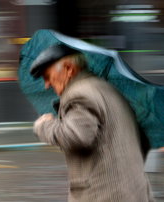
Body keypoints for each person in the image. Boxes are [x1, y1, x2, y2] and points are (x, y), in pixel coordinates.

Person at [30, 44, 155, 202]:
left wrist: (43, 126)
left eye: (47, 76)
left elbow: (75, 137)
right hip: (134, 191)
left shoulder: (79, 93)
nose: (46, 84)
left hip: (103, 194)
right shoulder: (107, 88)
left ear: (68, 68)